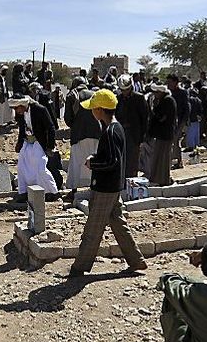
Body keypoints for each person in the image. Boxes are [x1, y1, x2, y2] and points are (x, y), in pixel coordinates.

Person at [68, 89, 146, 276]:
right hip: (113, 186)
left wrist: (92, 162)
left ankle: (79, 267)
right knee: (118, 223)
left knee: (93, 229)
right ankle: (136, 261)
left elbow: (112, 161)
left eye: (93, 108)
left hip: (105, 187)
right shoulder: (115, 127)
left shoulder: (110, 131)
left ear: (101, 110)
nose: (92, 111)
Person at [11, 96, 59, 201]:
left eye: (16, 108)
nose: (15, 111)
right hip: (27, 142)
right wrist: (19, 143)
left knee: (40, 168)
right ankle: (24, 192)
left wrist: (50, 146)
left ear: (22, 105)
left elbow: (51, 128)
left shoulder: (39, 110)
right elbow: (22, 128)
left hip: (39, 141)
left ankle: (52, 192)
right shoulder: (21, 114)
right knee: (22, 166)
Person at [63, 81, 101, 195]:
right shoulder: (94, 94)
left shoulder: (71, 95)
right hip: (96, 133)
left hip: (79, 134)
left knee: (77, 162)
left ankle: (74, 190)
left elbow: (68, 119)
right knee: (94, 162)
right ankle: (95, 187)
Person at [115, 74, 149, 179]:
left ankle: (132, 183)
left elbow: (145, 118)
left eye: (126, 90)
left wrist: (143, 137)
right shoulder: (118, 99)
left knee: (133, 162)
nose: (124, 92)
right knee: (121, 160)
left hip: (134, 135)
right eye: (122, 90)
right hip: (121, 134)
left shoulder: (139, 98)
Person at [146, 83, 176, 186]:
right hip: (161, 134)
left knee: (163, 158)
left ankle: (163, 180)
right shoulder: (164, 100)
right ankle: (158, 178)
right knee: (159, 157)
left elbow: (162, 118)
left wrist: (153, 109)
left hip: (165, 134)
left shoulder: (168, 101)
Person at [167, 74, 190, 169]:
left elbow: (187, 108)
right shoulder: (168, 93)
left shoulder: (182, 93)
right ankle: (175, 161)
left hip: (179, 121)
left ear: (175, 82)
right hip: (170, 122)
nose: (168, 84)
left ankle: (178, 162)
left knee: (176, 141)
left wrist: (183, 123)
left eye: (170, 82)